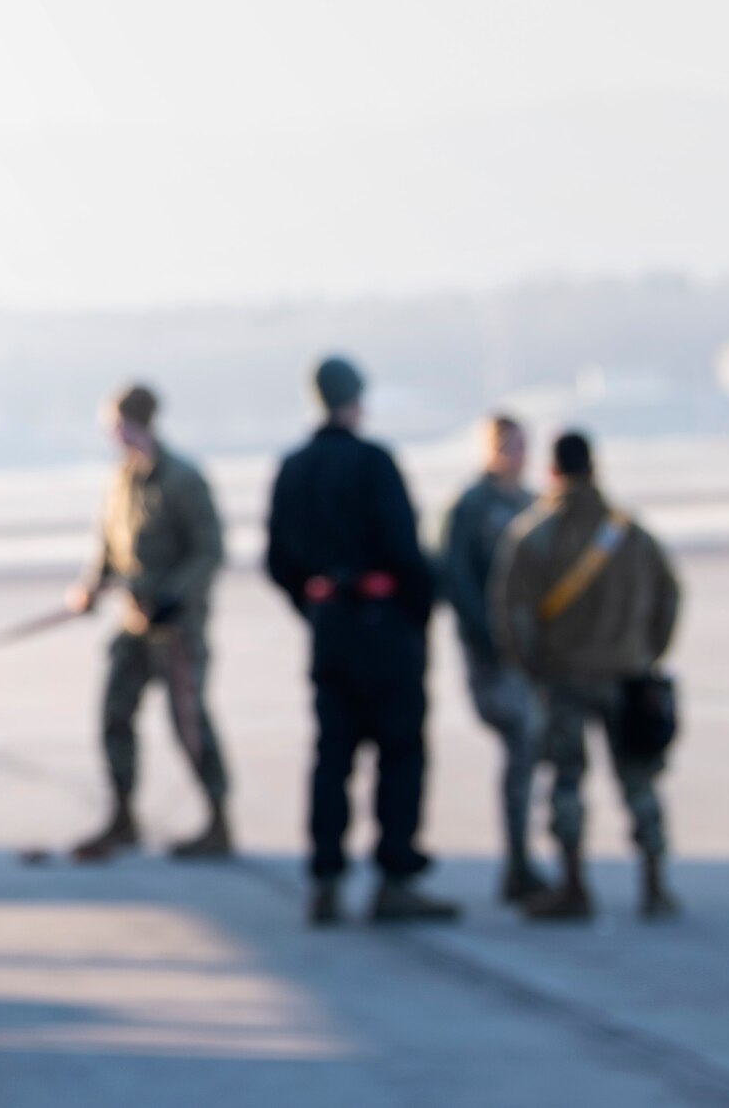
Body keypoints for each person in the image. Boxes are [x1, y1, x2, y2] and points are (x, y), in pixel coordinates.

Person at [266, 356, 458, 925]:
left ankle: (326, 877)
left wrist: (317, 608)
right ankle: (394, 875)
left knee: (333, 757)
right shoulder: (373, 464)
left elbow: (279, 561)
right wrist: (414, 614)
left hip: (330, 629)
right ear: (355, 400)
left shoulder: (293, 469)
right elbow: (406, 549)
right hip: (384, 625)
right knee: (399, 753)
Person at [491, 431, 681, 921]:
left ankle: (574, 885)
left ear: (552, 472)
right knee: (639, 781)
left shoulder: (534, 534)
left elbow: (511, 613)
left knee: (567, 782)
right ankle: (655, 884)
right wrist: (647, 652)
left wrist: (532, 668)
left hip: (565, 678)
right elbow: (670, 595)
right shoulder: (631, 532)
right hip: (628, 673)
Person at [64, 384, 231, 861]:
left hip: (177, 629)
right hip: (133, 624)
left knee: (189, 722)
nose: (110, 435)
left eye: (114, 425)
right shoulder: (122, 479)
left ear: (135, 423)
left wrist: (176, 596)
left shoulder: (183, 480)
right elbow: (108, 545)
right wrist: (91, 588)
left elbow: (209, 550)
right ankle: (123, 819)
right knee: (115, 715)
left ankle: (219, 821)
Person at [439, 414, 547, 903]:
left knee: (538, 750)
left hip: (531, 653)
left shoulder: (531, 505)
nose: (514, 454)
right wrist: (490, 635)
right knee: (521, 739)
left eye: (521, 445)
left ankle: (527, 860)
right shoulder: (472, 507)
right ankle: (519, 862)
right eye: (505, 445)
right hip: (491, 654)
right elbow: (457, 579)